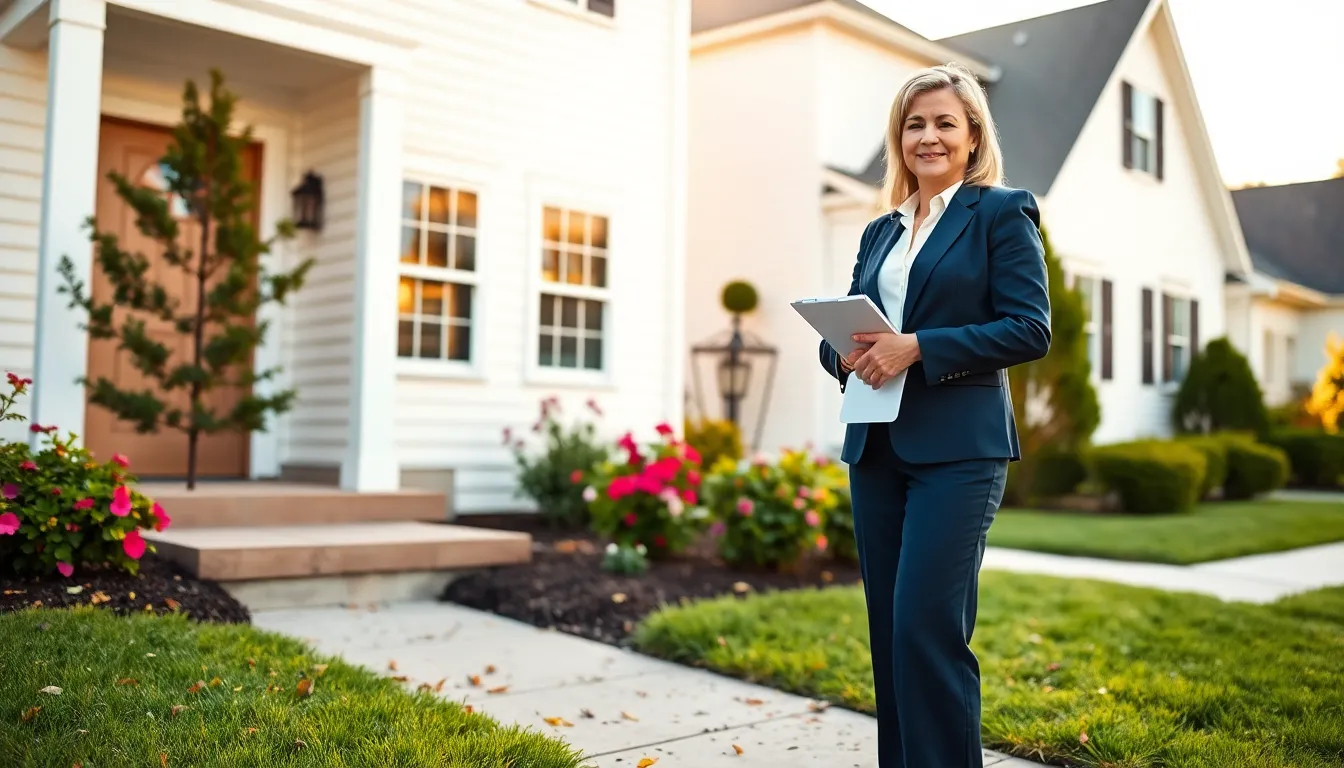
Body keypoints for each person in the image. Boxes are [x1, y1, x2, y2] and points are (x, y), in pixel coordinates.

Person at [817, 63, 1051, 768]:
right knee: (891, 634)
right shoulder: (880, 232)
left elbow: (1029, 329)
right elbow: (860, 341)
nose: (929, 136)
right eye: (915, 123)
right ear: (899, 136)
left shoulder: (1001, 213)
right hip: (877, 449)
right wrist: (845, 355)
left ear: (973, 134)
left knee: (927, 628)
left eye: (945, 122)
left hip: (958, 452)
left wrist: (918, 347)